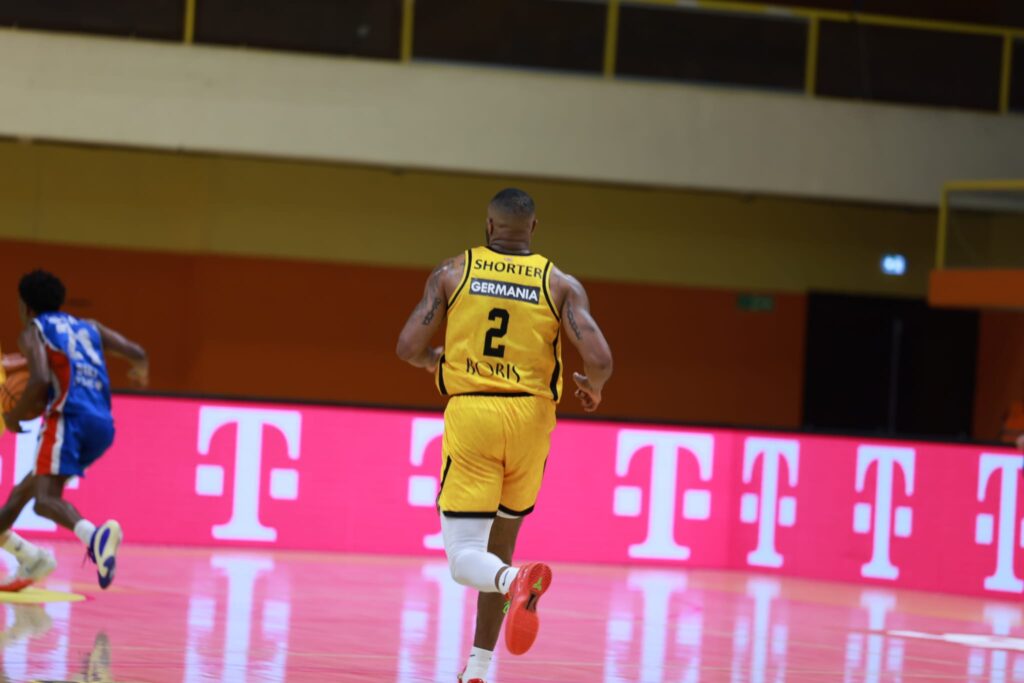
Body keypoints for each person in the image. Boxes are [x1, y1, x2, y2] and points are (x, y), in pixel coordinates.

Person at [396, 188, 613, 683]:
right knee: (499, 547)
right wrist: (594, 388)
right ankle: (477, 668)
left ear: (489, 226)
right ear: (533, 229)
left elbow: (407, 346)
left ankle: (516, 581)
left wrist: (431, 360)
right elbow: (600, 359)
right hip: (532, 419)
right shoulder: (558, 283)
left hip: (475, 413)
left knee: (465, 559)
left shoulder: (454, 272)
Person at [0, 270, 148, 591]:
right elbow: (137, 352)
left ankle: (95, 537)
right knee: (20, 496)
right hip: (103, 425)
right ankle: (31, 559)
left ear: (25, 306)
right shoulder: (90, 326)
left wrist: (14, 416)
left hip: (68, 417)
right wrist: (140, 371)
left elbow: (39, 380)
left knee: (44, 500)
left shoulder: (34, 330)